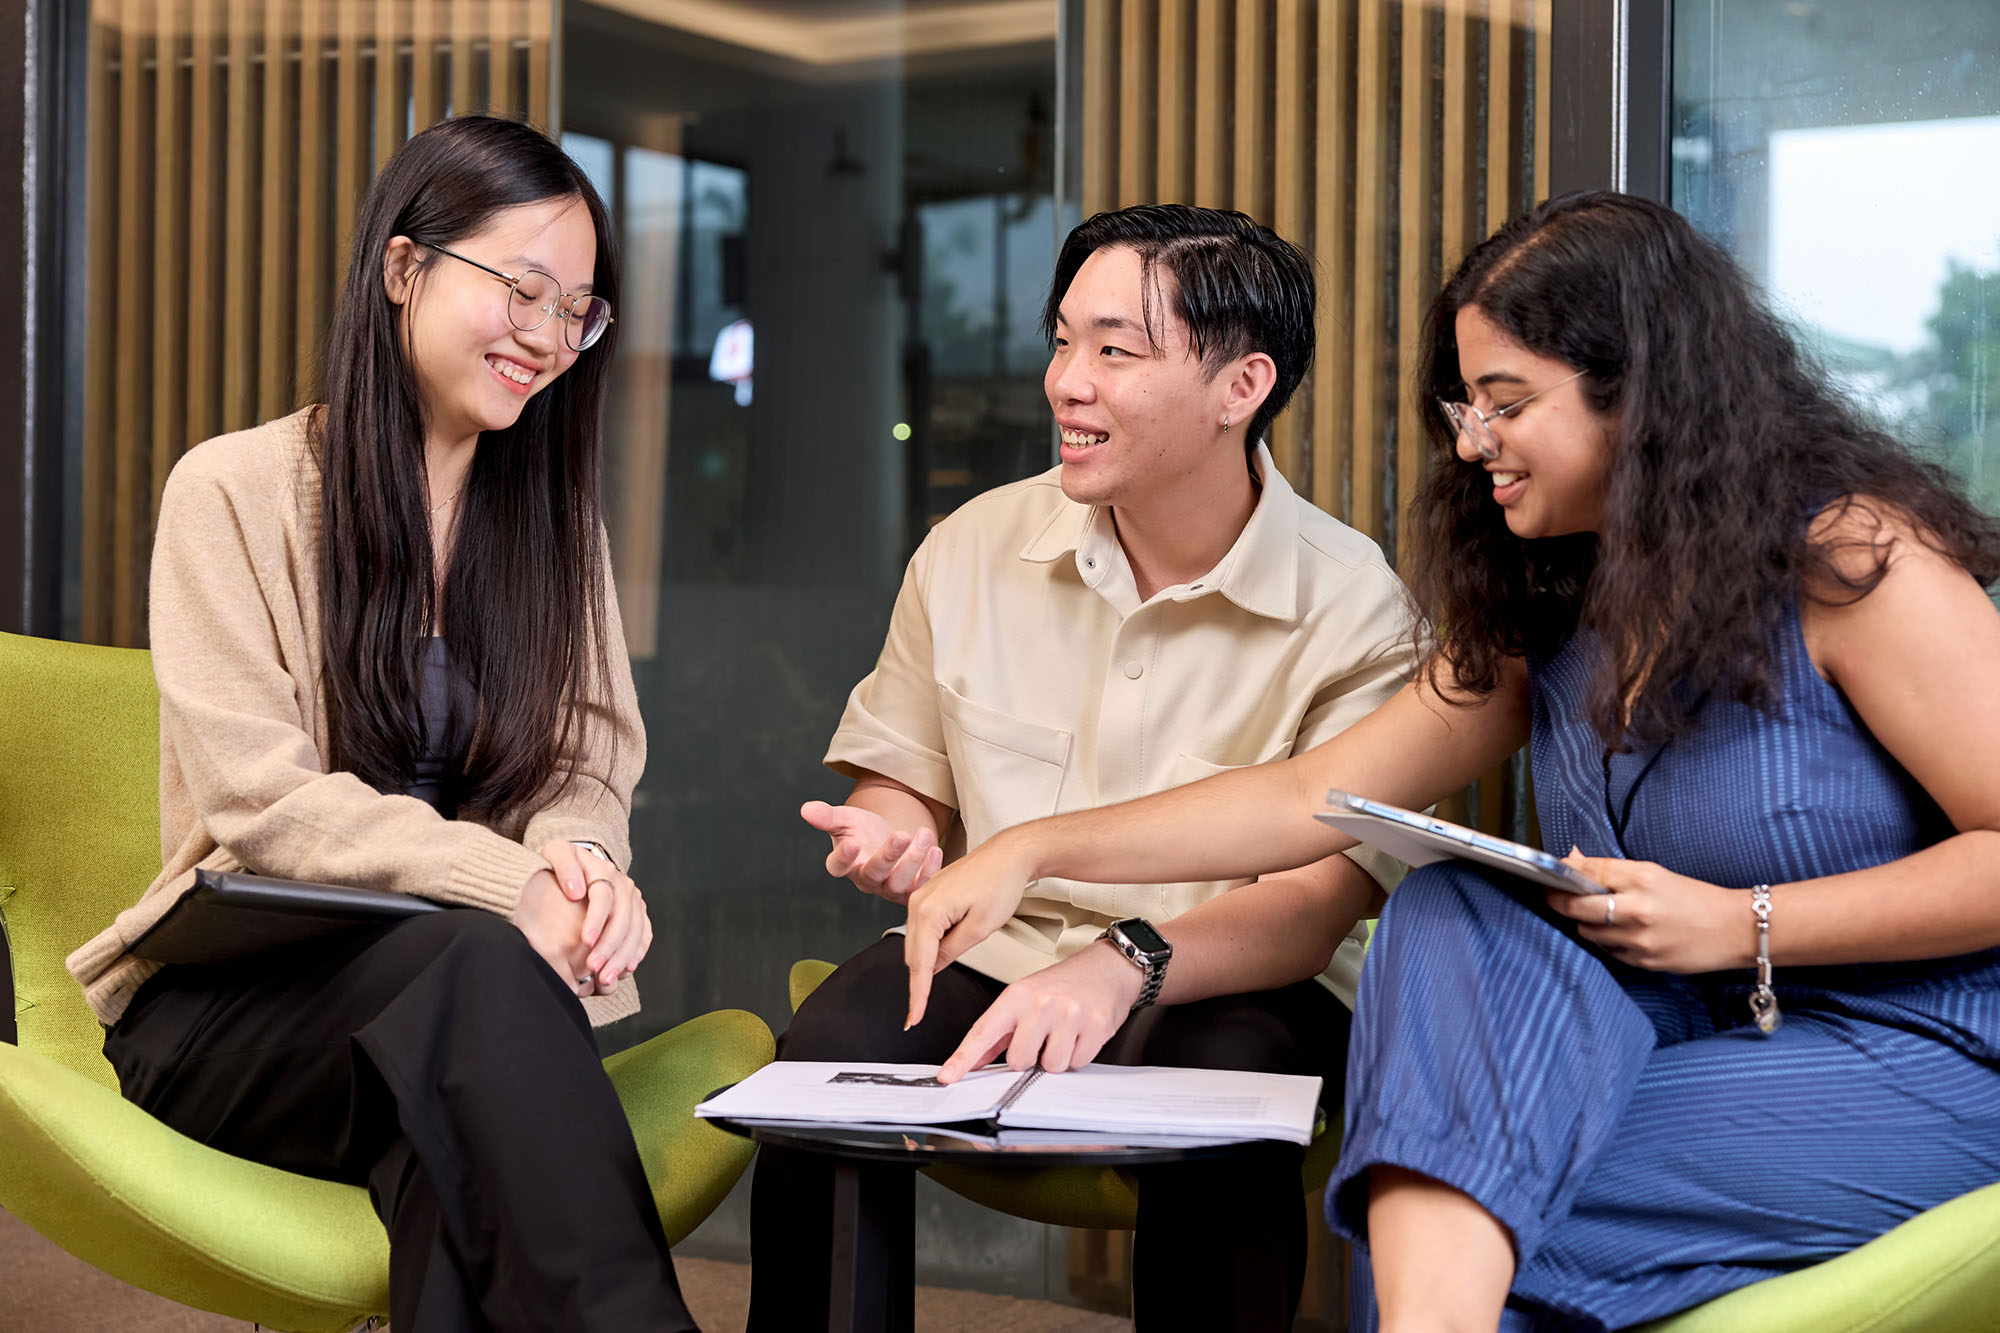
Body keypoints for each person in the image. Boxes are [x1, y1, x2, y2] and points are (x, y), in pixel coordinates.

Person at [902, 190, 2000, 1331]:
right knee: (1451, 908)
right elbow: (1307, 795)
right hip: (1674, 1026)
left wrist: (1742, 923)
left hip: (1918, 1044)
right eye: (1465, 405)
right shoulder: (1557, 597)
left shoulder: (1855, 562)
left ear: (1646, 396)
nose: (1474, 442)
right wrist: (1034, 848)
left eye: (1507, 404)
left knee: (1447, 1194)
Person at [65, 116, 700, 1332]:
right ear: (404, 268)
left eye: (578, 310)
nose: (548, 336)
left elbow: (583, 756)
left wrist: (581, 861)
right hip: (236, 1012)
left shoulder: (553, 528)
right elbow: (262, 799)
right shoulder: (231, 490)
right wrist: (511, 885)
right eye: (521, 289)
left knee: (446, 1157)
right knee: (473, 979)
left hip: (461, 1005)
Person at [750, 204, 1420, 1331]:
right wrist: (895, 826)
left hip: (1235, 974)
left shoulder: (1354, 607)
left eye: (1116, 350)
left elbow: (1317, 901)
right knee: (823, 1058)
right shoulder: (972, 548)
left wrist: (1122, 963)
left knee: (1222, 1092)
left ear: (1241, 385)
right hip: (1001, 951)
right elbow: (905, 771)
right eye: (1063, 341)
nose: (1066, 381)